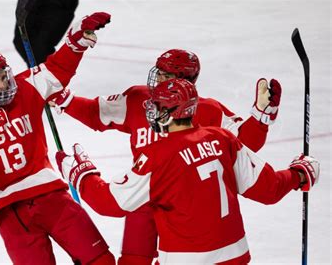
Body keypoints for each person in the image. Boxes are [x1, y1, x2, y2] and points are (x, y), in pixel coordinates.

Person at [50, 49, 282, 264]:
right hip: (142, 195)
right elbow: (95, 113)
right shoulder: (139, 99)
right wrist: (66, 101)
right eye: (157, 72)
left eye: (164, 74)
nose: (156, 79)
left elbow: (243, 146)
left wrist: (260, 118)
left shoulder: (209, 110)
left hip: (184, 208)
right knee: (133, 260)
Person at [0, 12, 116, 265]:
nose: (2, 85)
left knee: (101, 261)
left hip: (54, 198)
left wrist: (75, 43)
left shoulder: (25, 88)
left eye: (3, 77)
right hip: (12, 215)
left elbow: (57, 69)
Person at [14, 0, 79, 67]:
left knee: (40, 47)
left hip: (58, 4)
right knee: (20, 41)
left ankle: (46, 74)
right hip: (32, 2)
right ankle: (38, 72)